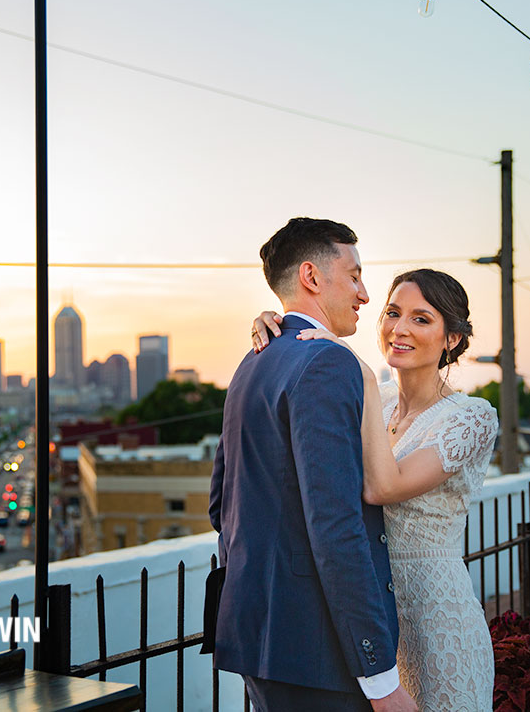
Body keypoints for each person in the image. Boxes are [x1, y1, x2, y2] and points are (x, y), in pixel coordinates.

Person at [251, 268, 499, 711]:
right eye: (392, 313)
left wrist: (361, 376)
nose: (399, 329)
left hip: (436, 614)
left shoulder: (472, 417)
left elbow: (384, 486)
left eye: (421, 319)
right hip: (370, 615)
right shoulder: (379, 400)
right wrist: (281, 326)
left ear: (452, 340)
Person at [210, 218, 417, 712]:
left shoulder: (252, 359)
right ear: (311, 276)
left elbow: (221, 503)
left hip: (255, 636)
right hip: (317, 649)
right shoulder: (329, 362)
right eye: (354, 276)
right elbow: (336, 526)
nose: (364, 294)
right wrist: (380, 677)